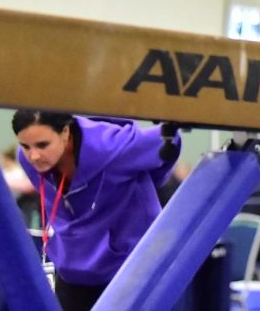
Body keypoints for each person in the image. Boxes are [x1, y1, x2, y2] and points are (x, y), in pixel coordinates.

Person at [13, 110, 180, 311]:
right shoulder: (26, 160)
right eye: (25, 146)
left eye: (42, 145)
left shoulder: (115, 148)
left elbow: (168, 142)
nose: (34, 155)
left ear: (65, 132)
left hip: (128, 265)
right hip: (73, 266)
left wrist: (149, 185)